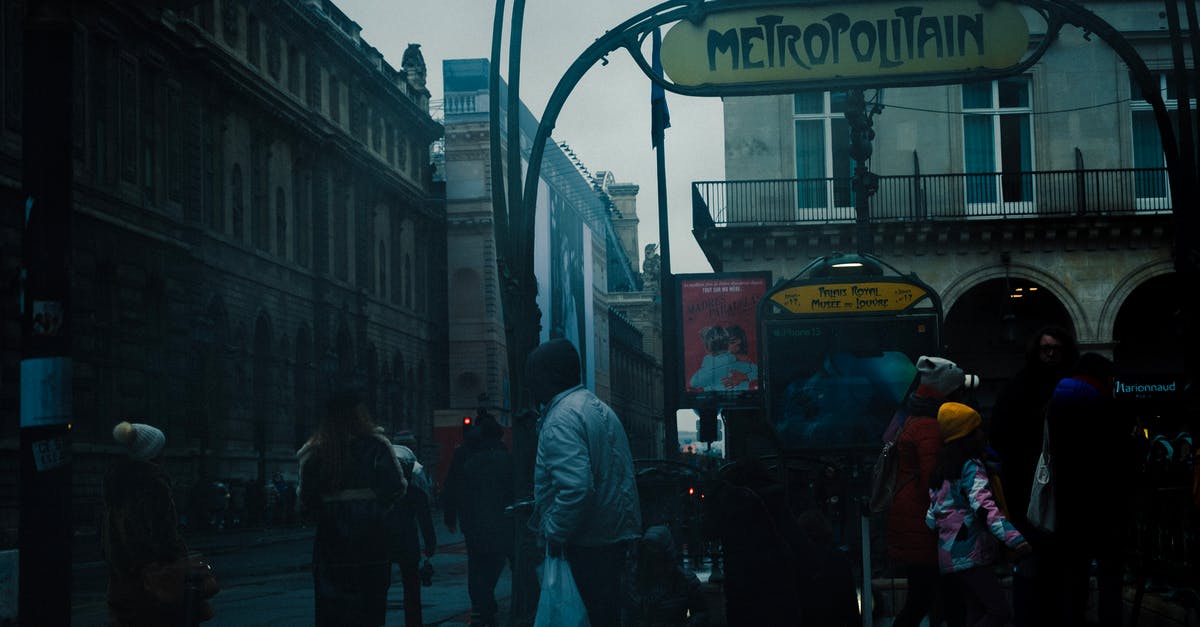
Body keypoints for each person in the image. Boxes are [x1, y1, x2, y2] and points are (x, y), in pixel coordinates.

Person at [526, 338, 642, 627]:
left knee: (581, 616)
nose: (531, 386)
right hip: (612, 536)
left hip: (585, 545)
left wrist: (554, 533)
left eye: (534, 376)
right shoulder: (598, 408)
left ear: (549, 376)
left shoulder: (561, 418)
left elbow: (576, 487)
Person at [988, 325, 1077, 626]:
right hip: (1026, 489)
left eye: (1055, 349)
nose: (1050, 354)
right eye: (1045, 348)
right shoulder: (1020, 388)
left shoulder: (1067, 385)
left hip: (1062, 490)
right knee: (1031, 562)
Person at [297, 389, 407, 626]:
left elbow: (306, 500)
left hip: (331, 541)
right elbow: (396, 487)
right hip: (372, 538)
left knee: (332, 607)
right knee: (371, 606)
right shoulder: (377, 447)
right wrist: (375, 506)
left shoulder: (315, 452)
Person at [886, 356, 975, 627]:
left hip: (916, 525)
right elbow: (933, 482)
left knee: (926, 597)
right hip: (927, 531)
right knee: (939, 598)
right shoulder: (930, 426)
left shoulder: (916, 415)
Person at [102, 421, 218, 626]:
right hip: (153, 578)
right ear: (151, 453)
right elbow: (163, 535)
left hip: (123, 576)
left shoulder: (116, 484)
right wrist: (177, 558)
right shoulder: (153, 483)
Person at [927, 402, 1032, 627]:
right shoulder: (970, 467)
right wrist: (1017, 540)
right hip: (971, 554)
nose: (982, 434)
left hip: (949, 557)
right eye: (977, 429)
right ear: (968, 436)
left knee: (975, 612)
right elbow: (985, 508)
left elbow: (931, 517)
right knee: (999, 612)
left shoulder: (941, 470)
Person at [1045, 352, 1130, 626]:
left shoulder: (1057, 402)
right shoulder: (1105, 404)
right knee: (1110, 572)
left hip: (1068, 502)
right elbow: (1119, 454)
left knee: (1073, 574)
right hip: (1105, 504)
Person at [442, 409, 514, 627]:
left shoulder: (466, 456)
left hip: (472, 521)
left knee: (477, 564)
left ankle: (481, 606)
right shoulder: (505, 458)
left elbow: (452, 485)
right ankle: (486, 602)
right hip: (500, 520)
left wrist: (451, 515)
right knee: (496, 562)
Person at [387, 444, 437, 627]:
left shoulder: (383, 483)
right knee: (411, 588)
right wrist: (430, 543)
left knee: (378, 587)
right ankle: (414, 623)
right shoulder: (415, 486)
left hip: (383, 539)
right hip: (408, 540)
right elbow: (424, 517)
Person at [627, 524, 710, 627]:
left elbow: (702, 613)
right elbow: (630, 614)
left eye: (656, 552)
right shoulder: (635, 580)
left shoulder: (685, 580)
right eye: (648, 553)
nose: (652, 557)